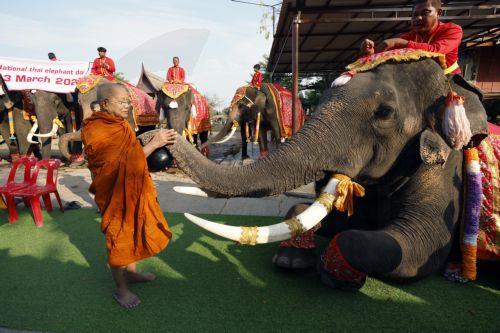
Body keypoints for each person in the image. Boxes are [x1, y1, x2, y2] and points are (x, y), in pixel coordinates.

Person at [81, 83, 177, 309]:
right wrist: (155, 144)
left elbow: (131, 153)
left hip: (133, 187)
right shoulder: (96, 130)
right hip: (114, 192)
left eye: (128, 102)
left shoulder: (121, 123)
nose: (127, 106)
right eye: (122, 102)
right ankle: (121, 290)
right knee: (119, 239)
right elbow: (117, 166)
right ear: (104, 104)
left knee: (134, 229)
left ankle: (132, 273)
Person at [360, 0, 462, 75]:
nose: (418, 18)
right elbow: (383, 55)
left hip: (450, 80)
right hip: (421, 81)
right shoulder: (410, 36)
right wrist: (370, 52)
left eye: (425, 13)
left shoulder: (453, 30)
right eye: (414, 15)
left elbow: (437, 50)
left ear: (438, 13)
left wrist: (398, 42)